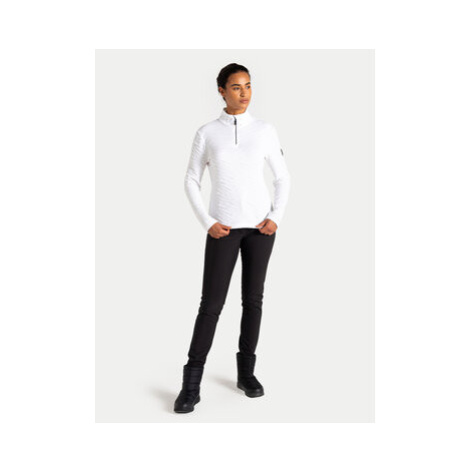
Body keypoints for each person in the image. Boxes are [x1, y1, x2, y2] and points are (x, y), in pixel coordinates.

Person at [174, 63, 291, 413]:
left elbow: (282, 178)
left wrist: (275, 217)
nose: (244, 93)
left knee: (253, 301)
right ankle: (191, 385)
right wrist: (207, 221)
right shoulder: (208, 133)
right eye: (236, 87)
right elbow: (191, 179)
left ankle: (246, 374)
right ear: (222, 91)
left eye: (248, 86)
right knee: (210, 305)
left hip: (259, 230)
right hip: (222, 229)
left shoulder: (265, 130)